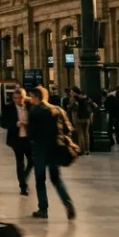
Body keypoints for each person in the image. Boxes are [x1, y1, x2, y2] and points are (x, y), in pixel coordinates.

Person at [28, 87, 76, 220]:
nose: (31, 100)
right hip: (55, 150)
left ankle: (43, 209)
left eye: (31, 96)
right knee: (56, 179)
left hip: (40, 150)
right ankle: (68, 204)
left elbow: (31, 133)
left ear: (37, 97)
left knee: (40, 180)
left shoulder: (35, 111)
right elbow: (69, 129)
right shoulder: (57, 110)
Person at [1, 88, 32, 195]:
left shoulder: (30, 106)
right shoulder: (8, 108)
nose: (18, 100)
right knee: (20, 162)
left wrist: (28, 124)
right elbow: (3, 123)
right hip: (16, 139)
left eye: (20, 98)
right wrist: (15, 124)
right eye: (15, 98)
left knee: (32, 160)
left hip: (28, 138)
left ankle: (23, 178)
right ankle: (23, 186)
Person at [69, 87, 95, 156]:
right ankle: (87, 150)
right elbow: (93, 105)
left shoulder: (74, 99)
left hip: (78, 118)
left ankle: (81, 150)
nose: (71, 93)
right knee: (86, 134)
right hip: (86, 118)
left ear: (75, 92)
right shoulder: (86, 97)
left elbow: (71, 108)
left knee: (80, 134)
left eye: (72, 92)